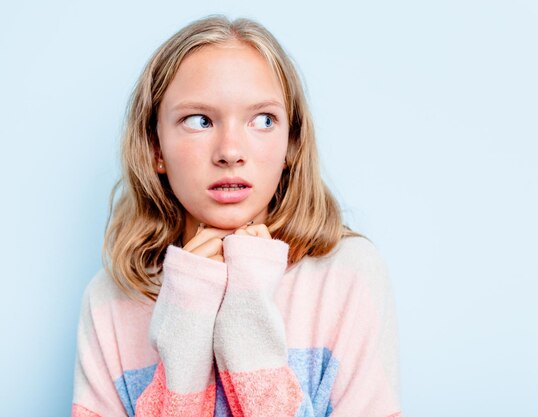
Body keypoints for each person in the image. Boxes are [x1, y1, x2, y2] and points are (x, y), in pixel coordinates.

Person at [71, 15, 401, 417]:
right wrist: (186, 317)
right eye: (200, 120)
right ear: (156, 148)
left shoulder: (347, 275)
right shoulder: (110, 299)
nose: (230, 151)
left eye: (262, 120)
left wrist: (247, 321)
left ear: (291, 145)